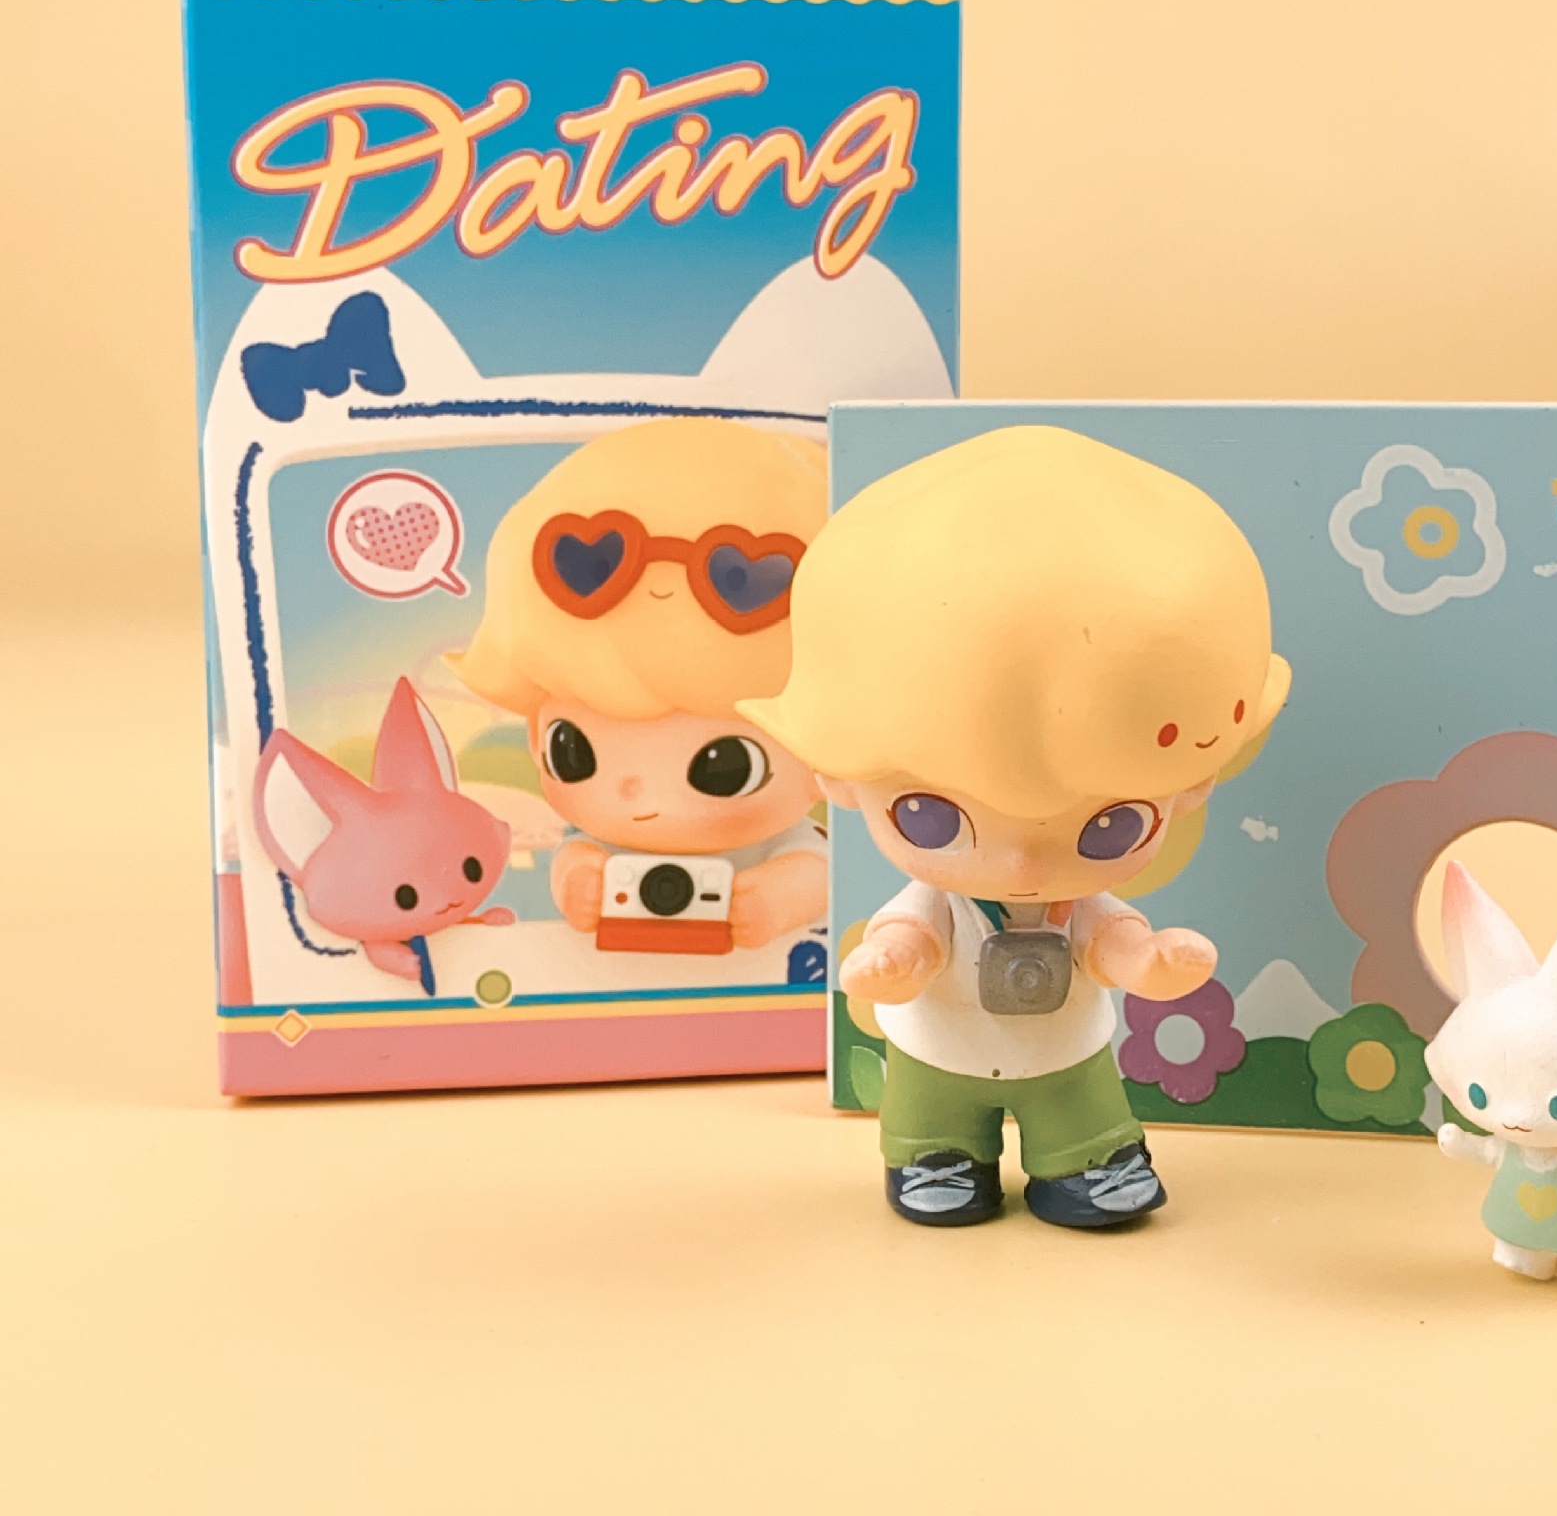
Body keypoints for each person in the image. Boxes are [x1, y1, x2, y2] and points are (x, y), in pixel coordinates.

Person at [742, 424, 1290, 1228]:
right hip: (940, 1050)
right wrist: (896, 961)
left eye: (1108, 826)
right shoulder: (942, 902)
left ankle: (1090, 1158)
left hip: (1064, 1053)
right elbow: (914, 936)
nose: (1024, 863)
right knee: (930, 1111)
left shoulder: (1079, 904)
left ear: (1192, 787)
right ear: (837, 780)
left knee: (1082, 1106)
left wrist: (1147, 961)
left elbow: (1109, 941)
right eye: (931, 817)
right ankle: (935, 1154)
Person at [452, 418, 828, 953]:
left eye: (725, 767)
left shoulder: (789, 842)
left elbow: (816, 872)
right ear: (536, 737)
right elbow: (574, 857)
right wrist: (578, 881)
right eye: (573, 752)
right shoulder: (601, 841)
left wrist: (778, 899)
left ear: (821, 763)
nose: (639, 795)